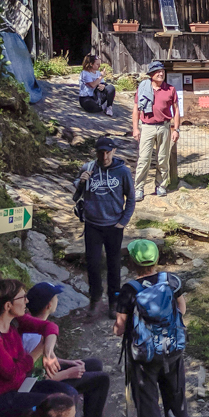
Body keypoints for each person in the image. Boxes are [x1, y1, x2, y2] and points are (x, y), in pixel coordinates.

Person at [0, 280, 95, 417]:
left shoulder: (15, 321)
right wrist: (38, 350)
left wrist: (48, 352)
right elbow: (12, 374)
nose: (27, 301)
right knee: (58, 406)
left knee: (70, 394)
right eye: (22, 298)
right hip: (1, 395)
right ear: (8, 306)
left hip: (21, 384)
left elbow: (49, 327)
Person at [113, 240, 191, 417]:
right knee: (176, 402)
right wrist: (169, 324)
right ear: (156, 259)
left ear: (132, 263)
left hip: (143, 357)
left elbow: (119, 328)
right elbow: (181, 307)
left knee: (148, 407)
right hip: (173, 350)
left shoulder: (129, 290)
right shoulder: (172, 280)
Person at [25, 283, 119, 417]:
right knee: (102, 379)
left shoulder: (35, 326)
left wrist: (69, 362)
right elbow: (34, 379)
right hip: (42, 385)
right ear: (48, 305)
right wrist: (69, 373)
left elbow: (44, 359)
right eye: (55, 297)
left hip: (47, 373)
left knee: (94, 364)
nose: (57, 300)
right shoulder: (35, 337)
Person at [74, 136, 135, 318]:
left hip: (114, 226)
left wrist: (122, 222)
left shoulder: (123, 171)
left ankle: (114, 302)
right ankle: (95, 299)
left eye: (108, 152)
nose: (105, 156)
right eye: (101, 152)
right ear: (96, 152)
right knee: (92, 264)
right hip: (92, 225)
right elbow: (75, 197)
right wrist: (82, 182)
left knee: (113, 264)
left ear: (114, 151)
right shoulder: (88, 168)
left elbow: (131, 198)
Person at [132, 60, 180, 201]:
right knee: (144, 159)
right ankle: (138, 188)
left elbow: (176, 110)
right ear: (151, 74)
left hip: (165, 127)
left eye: (162, 72)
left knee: (163, 158)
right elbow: (136, 109)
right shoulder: (142, 89)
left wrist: (176, 129)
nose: (161, 74)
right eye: (157, 72)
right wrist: (135, 128)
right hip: (147, 127)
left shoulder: (170, 89)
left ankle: (161, 186)